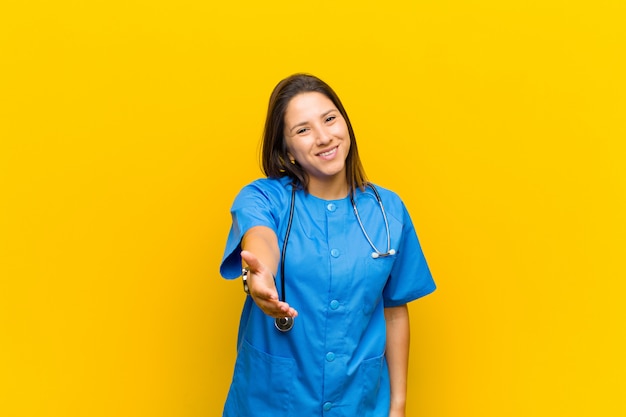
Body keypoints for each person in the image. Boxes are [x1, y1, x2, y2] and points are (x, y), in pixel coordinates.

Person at [219, 73, 436, 417]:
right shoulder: (262, 198)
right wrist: (260, 277)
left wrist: (398, 406)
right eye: (302, 130)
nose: (323, 137)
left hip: (360, 404)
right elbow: (261, 238)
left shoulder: (388, 210)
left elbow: (394, 310)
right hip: (271, 403)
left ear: (346, 123)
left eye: (330, 119)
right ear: (286, 149)